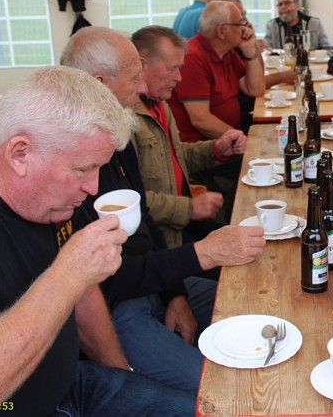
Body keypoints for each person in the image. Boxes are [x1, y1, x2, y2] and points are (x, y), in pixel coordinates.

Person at [0, 66, 196, 416]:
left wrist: (120, 375)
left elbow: (83, 294)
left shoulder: (51, 195)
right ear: (20, 153)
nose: (93, 187)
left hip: (70, 385)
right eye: (82, 169)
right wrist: (69, 273)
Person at [60, 26, 238, 396]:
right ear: (99, 84)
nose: (141, 87)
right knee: (215, 391)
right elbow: (104, 284)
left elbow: (147, 223)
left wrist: (175, 294)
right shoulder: (67, 166)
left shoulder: (118, 135)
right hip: (118, 307)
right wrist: (201, 253)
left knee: (249, 302)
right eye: (134, 77)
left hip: (153, 283)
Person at [132, 25, 247, 249]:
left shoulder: (159, 105)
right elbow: (131, 199)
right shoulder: (127, 120)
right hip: (160, 239)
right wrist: (190, 208)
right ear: (141, 64)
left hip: (181, 224)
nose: (179, 77)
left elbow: (176, 155)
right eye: (172, 68)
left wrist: (216, 149)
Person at [168, 0, 266, 143]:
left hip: (231, 133)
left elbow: (256, 89)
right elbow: (201, 120)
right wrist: (244, 140)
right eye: (240, 23)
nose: (245, 28)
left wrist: (249, 49)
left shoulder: (227, 51)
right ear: (221, 31)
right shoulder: (192, 57)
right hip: (205, 144)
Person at [263, 0, 333, 52]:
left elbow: (329, 50)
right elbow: (266, 50)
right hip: (281, 64)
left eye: (287, 3)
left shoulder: (314, 23)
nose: (283, 7)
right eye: (280, 4)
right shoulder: (272, 26)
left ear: (298, 5)